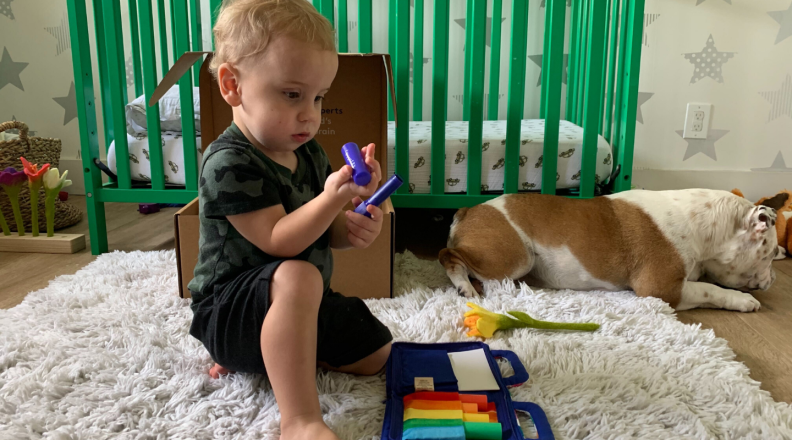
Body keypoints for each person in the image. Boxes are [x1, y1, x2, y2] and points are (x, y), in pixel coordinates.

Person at [186, 1, 393, 438]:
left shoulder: (308, 152)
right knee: (297, 275)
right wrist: (332, 196)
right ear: (232, 85)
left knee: (376, 352)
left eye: (319, 98)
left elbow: (320, 229)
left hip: (299, 304)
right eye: (292, 95)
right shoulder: (227, 162)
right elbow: (280, 240)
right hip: (229, 314)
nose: (310, 114)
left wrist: (351, 223)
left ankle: (283, 352)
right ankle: (299, 420)